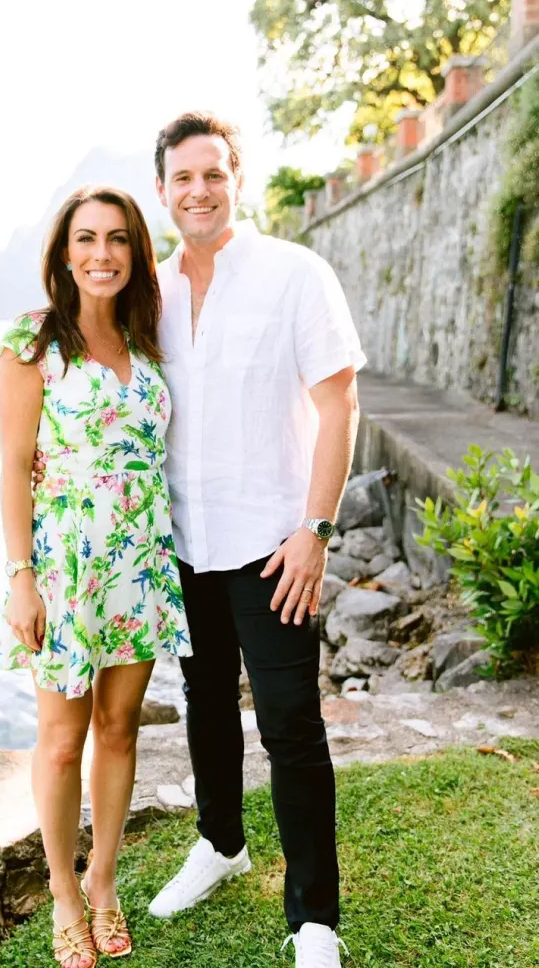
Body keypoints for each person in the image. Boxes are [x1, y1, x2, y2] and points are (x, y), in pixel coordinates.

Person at [143, 113, 365, 968]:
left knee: (289, 726)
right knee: (203, 706)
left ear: (236, 178)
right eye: (181, 178)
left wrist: (314, 529)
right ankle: (220, 842)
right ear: (161, 190)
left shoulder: (293, 274)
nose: (197, 191)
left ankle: (313, 916)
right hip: (183, 545)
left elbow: (337, 404)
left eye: (212, 174)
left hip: (274, 544)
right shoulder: (148, 294)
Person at [0, 184, 192, 968]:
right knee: (58, 738)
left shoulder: (151, 341)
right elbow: (13, 469)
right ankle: (63, 894)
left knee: (118, 729)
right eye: (85, 239)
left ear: (135, 252)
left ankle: (103, 881)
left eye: (116, 239)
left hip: (140, 559)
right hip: (67, 563)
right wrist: (21, 578)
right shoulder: (29, 343)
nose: (101, 254)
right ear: (63, 253)